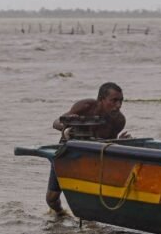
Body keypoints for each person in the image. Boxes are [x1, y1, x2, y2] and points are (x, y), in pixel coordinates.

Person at [46, 82, 130, 216]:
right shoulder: (86, 106)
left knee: (91, 194)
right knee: (51, 199)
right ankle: (60, 214)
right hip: (67, 154)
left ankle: (91, 219)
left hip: (92, 159)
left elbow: (109, 146)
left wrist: (120, 142)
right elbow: (56, 123)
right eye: (114, 101)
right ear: (101, 99)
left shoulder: (119, 120)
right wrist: (67, 124)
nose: (118, 105)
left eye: (121, 101)